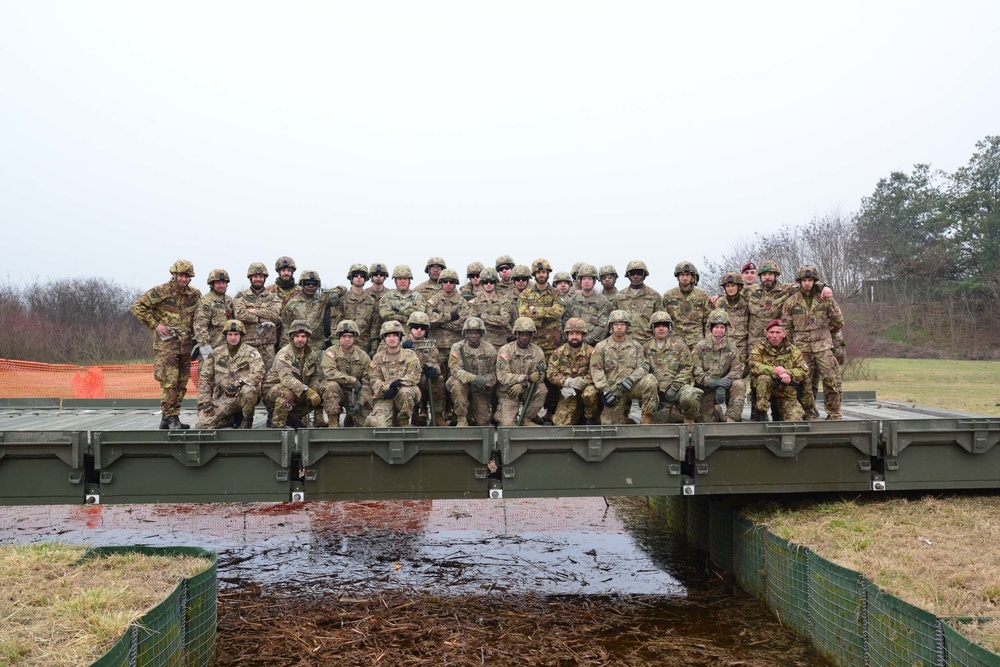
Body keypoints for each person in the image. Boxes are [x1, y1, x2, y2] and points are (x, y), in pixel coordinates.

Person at [131, 260, 202, 430]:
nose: (184, 279)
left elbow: (200, 315)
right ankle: (172, 418)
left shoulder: (194, 294)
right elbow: (138, 306)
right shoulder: (161, 291)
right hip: (166, 346)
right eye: (182, 275)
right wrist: (155, 325)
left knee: (181, 383)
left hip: (186, 346)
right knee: (169, 382)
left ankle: (168, 417)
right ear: (174, 274)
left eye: (187, 276)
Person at [782, 265, 845, 420]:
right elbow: (786, 326)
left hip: (823, 346)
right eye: (804, 280)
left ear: (815, 281)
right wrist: (789, 347)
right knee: (805, 382)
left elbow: (838, 320)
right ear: (799, 282)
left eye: (810, 280)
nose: (807, 283)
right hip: (801, 348)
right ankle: (808, 412)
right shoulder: (791, 302)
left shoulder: (825, 299)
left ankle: (834, 412)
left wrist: (824, 331)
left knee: (831, 379)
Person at [590, 310, 659, 424]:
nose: (619, 327)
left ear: (627, 326)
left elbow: (644, 366)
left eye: (622, 324)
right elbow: (596, 369)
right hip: (614, 391)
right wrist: (605, 390)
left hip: (631, 386)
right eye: (616, 324)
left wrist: (631, 379)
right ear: (611, 326)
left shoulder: (636, 346)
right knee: (612, 427)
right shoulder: (601, 347)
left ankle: (646, 418)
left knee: (650, 381)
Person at [196, 320, 265, 429]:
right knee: (203, 424)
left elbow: (258, 373)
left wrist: (239, 382)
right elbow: (205, 378)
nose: (233, 338)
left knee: (249, 390)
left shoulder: (251, 352)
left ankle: (247, 419)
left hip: (242, 395)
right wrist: (205, 400)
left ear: (241, 335)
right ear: (225, 335)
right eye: (230, 334)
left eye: (236, 334)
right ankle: (229, 419)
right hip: (224, 397)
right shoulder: (216, 353)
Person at [262, 319, 324, 429]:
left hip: (298, 389)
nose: (300, 340)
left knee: (319, 390)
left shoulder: (312, 355)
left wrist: (314, 388)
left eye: (303, 336)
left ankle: (293, 417)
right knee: (287, 392)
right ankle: (277, 423)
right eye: (297, 336)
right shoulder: (285, 353)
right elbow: (287, 379)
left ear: (307, 338)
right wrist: (307, 391)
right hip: (274, 391)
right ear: (292, 337)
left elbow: (315, 375)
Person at [644, 311, 701, 424]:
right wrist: (655, 392)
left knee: (691, 395)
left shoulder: (679, 345)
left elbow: (687, 367)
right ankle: (673, 414)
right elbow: (644, 370)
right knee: (659, 425)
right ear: (653, 328)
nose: (661, 328)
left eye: (664, 325)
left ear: (669, 327)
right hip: (658, 395)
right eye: (658, 326)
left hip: (677, 389)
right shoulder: (646, 347)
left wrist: (675, 387)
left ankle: (689, 419)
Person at [748, 320, 808, 421]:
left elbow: (804, 371)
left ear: (784, 334)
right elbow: (753, 365)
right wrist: (777, 372)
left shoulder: (793, 351)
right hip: (763, 393)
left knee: (795, 420)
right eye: (771, 332)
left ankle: (778, 412)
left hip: (785, 392)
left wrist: (787, 372)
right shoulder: (759, 348)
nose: (774, 336)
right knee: (764, 378)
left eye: (778, 332)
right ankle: (761, 413)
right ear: (767, 334)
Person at [366, 320, 422, 427]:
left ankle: (403, 423)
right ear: (384, 338)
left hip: (404, 392)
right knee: (376, 424)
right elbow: (374, 379)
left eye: (395, 335)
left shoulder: (410, 355)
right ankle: (391, 419)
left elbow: (414, 376)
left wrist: (397, 385)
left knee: (405, 393)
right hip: (385, 395)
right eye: (388, 336)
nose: (392, 339)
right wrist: (387, 387)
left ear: (400, 337)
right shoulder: (378, 357)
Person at [692, 310, 745, 422]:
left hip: (725, 386)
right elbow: (696, 370)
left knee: (739, 384)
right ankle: (717, 411)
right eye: (716, 327)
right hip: (706, 388)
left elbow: (737, 369)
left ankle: (732, 419)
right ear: (711, 328)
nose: (719, 330)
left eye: (722, 327)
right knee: (704, 421)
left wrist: (722, 384)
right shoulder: (700, 347)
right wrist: (712, 382)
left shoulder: (732, 347)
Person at [495, 317, 548, 426]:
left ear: (531, 335)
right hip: (508, 391)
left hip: (527, 389)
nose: (524, 337)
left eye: (527, 334)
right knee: (508, 426)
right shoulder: (506, 350)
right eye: (522, 334)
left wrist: (523, 384)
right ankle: (500, 414)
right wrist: (526, 378)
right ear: (517, 334)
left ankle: (527, 418)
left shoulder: (538, 352)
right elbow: (502, 376)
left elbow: (539, 376)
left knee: (542, 389)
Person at [546, 318, 599, 425]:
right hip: (568, 392)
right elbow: (551, 373)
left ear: (583, 335)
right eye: (571, 334)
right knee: (561, 424)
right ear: (567, 335)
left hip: (585, 389)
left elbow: (597, 371)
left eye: (577, 334)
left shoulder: (592, 352)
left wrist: (583, 381)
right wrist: (567, 382)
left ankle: (590, 419)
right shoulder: (559, 353)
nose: (574, 337)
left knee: (591, 393)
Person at [446, 317, 498, 426]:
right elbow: (454, 369)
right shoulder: (457, 347)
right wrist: (473, 378)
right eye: (470, 332)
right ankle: (461, 418)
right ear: (466, 333)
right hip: (462, 383)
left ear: (481, 333)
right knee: (457, 385)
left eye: (476, 333)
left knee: (482, 422)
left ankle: (470, 412)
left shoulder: (490, 349)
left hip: (480, 388)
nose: (473, 335)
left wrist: (485, 381)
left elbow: (494, 372)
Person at [320, 320, 373, 427]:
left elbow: (368, 383)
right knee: (330, 386)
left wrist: (360, 403)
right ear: (339, 337)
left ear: (355, 337)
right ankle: (333, 422)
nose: (347, 339)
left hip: (354, 394)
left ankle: (350, 417)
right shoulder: (330, 352)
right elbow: (329, 372)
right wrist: (351, 380)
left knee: (366, 424)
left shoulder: (363, 356)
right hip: (336, 391)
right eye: (344, 336)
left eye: (350, 336)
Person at [233, 262, 282, 371]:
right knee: (246, 375)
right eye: (255, 277)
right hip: (247, 343)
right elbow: (239, 314)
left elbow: (274, 314)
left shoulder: (273, 297)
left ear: (264, 278)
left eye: (261, 277)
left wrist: (253, 310)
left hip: (267, 345)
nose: (258, 279)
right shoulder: (241, 296)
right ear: (250, 278)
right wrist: (260, 318)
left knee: (268, 377)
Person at [401, 311, 447, 426]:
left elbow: (435, 362)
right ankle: (413, 414)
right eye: (416, 327)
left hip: (424, 378)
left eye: (423, 327)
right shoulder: (399, 341)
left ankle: (436, 415)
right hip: (405, 378)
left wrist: (434, 370)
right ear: (410, 327)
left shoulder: (430, 345)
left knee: (439, 379)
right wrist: (402, 349)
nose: (419, 330)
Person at [662, 261, 712, 352]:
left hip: (697, 341)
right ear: (677, 276)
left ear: (692, 276)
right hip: (674, 341)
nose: (685, 278)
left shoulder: (702, 295)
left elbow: (708, 321)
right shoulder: (668, 296)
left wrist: (707, 342)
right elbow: (662, 320)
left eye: (687, 275)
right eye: (682, 275)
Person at [462, 267, 515, 348]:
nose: (489, 284)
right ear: (482, 283)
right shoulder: (473, 303)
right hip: (479, 345)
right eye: (486, 282)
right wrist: (495, 319)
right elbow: (472, 324)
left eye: (491, 282)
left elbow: (504, 320)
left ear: (496, 283)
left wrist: (483, 317)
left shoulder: (505, 302)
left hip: (499, 344)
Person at [426, 268, 465, 376]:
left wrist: (440, 321)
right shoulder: (434, 300)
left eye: (451, 281)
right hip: (436, 346)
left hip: (456, 346)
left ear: (455, 283)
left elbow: (462, 325)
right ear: (441, 283)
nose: (448, 284)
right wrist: (449, 317)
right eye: (445, 281)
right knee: (437, 377)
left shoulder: (462, 302)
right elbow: (429, 319)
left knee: (455, 376)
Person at [611, 260, 662, 344]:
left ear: (644, 275)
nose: (635, 276)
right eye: (632, 273)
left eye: (638, 273)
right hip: (624, 343)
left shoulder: (654, 296)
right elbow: (612, 322)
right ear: (628, 275)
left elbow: (661, 321)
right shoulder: (619, 297)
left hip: (647, 342)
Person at [562, 263, 610, 346]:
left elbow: (603, 326)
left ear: (594, 281)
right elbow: (564, 321)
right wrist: (571, 338)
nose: (586, 281)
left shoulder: (602, 301)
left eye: (589, 279)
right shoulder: (572, 300)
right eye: (583, 279)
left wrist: (586, 340)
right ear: (580, 281)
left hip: (594, 345)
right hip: (573, 343)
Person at [281, 270, 329, 351]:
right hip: (298, 347)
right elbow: (286, 327)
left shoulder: (322, 300)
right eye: (307, 283)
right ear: (302, 284)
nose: (311, 286)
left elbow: (342, 289)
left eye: (314, 284)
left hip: (317, 347)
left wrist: (336, 293)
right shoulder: (292, 304)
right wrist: (285, 349)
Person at [193, 269, 235, 358]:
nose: (221, 285)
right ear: (212, 284)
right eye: (218, 283)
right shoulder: (206, 301)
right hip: (212, 348)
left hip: (228, 348)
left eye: (223, 283)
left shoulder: (228, 300)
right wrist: (206, 351)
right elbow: (200, 327)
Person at [341, 263, 379, 355]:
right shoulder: (342, 299)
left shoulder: (371, 301)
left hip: (364, 346)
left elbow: (374, 326)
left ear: (365, 278)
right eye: (355, 275)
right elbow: (334, 325)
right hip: (344, 345)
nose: (359, 277)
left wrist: (374, 348)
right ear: (351, 278)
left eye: (362, 276)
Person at [715, 272, 751, 363]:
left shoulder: (746, 302)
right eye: (727, 286)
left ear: (739, 287)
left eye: (733, 285)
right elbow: (713, 323)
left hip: (742, 344)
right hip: (724, 343)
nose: (730, 288)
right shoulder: (720, 302)